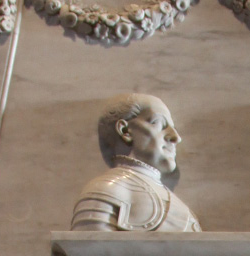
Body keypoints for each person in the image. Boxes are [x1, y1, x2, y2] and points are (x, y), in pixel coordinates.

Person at [71, 93, 201, 232]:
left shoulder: (174, 201)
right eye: (159, 123)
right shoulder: (106, 190)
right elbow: (90, 250)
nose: (176, 137)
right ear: (126, 131)